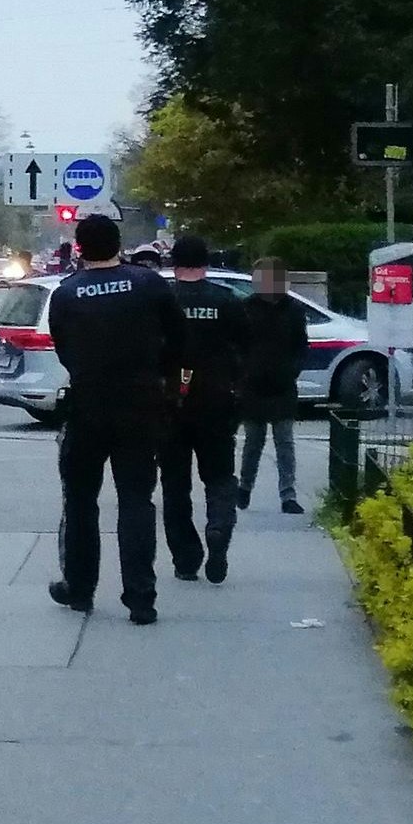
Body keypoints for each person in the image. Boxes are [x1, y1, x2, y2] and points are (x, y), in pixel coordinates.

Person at [43, 212, 178, 621]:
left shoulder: (66, 294)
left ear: (80, 248)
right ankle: (141, 597)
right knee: (136, 499)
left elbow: (63, 348)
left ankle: (80, 588)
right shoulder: (149, 284)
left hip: (87, 406)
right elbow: (177, 339)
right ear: (119, 244)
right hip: (140, 405)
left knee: (80, 499)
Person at [156, 234, 250, 584]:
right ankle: (219, 526)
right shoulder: (226, 301)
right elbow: (246, 350)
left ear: (174, 264)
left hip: (171, 403)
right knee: (220, 477)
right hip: (216, 401)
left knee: (175, 485)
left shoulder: (164, 302)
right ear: (206, 264)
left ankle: (186, 558)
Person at [231, 257, 310, 516]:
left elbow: (301, 345)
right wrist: (243, 373)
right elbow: (236, 345)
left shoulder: (294, 310)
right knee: (253, 442)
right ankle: (244, 487)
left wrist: (292, 370)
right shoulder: (246, 308)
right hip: (253, 385)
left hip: (283, 385)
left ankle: (288, 494)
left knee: (284, 442)